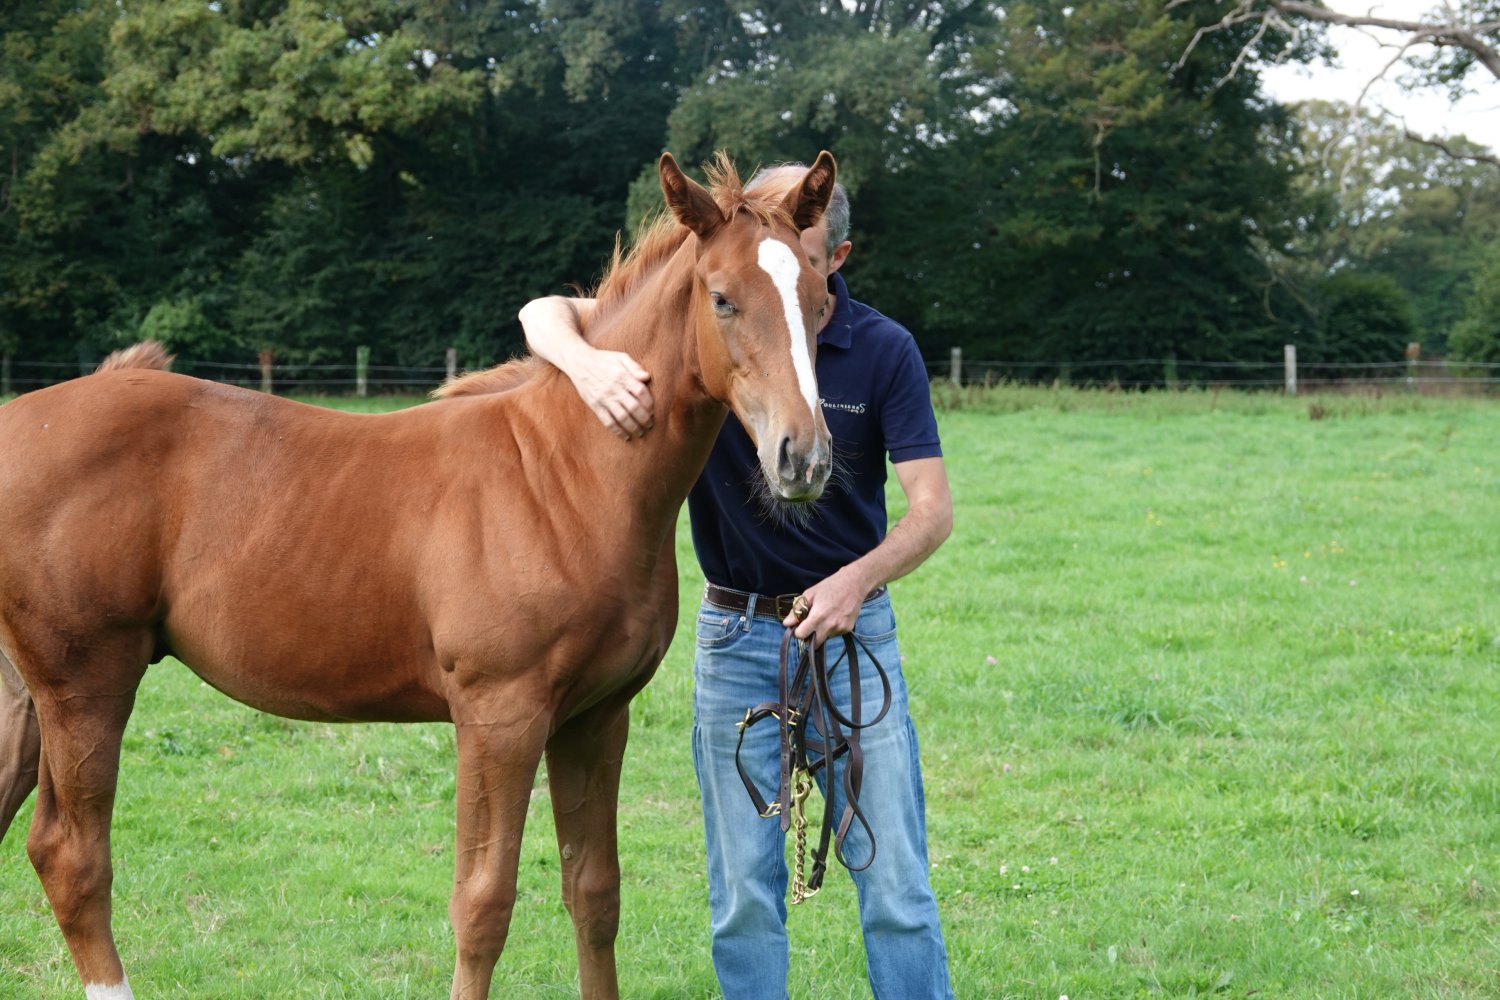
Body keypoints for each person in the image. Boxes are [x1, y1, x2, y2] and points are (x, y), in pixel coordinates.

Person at [520, 163, 954, 1000]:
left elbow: (931, 511)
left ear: (836, 257)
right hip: (737, 635)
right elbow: (544, 312)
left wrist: (854, 583)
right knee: (743, 898)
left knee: (896, 882)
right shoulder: (720, 319)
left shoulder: (883, 350)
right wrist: (587, 367)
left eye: (799, 252)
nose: (772, 259)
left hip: (852, 634)